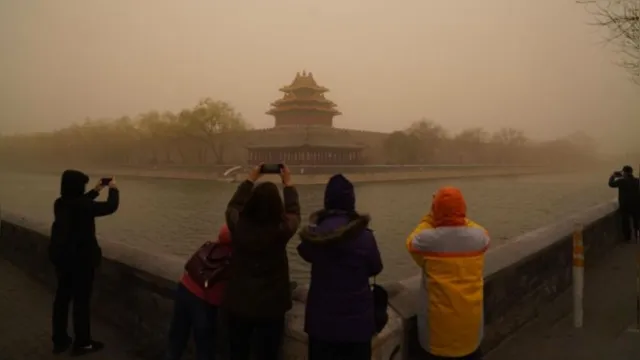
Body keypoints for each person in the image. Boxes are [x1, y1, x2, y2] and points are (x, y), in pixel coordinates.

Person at [297, 174, 383, 360]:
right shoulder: (364, 236)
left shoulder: (316, 234)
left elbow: (304, 252)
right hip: (357, 327)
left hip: (321, 326)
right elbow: (376, 267)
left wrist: (316, 223)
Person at [223, 164, 300, 360]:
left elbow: (232, 206)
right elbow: (294, 214)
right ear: (277, 206)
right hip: (271, 308)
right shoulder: (281, 231)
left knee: (237, 353)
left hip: (239, 303)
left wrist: (250, 179)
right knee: (268, 355)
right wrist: (288, 185)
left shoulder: (238, 225)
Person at [405, 187, 489, 360]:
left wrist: (431, 216)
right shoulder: (479, 238)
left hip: (438, 336)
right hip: (470, 332)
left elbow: (411, 241)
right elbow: (478, 230)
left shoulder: (427, 241)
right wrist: (458, 217)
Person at [49, 170, 119, 355]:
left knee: (62, 301)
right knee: (81, 303)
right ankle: (82, 343)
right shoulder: (83, 206)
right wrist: (113, 188)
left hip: (62, 260)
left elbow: (81, 201)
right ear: (78, 187)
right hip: (81, 262)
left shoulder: (60, 203)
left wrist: (97, 189)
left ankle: (60, 340)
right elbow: (111, 207)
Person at [165, 224, 232, 360]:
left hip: (185, 287)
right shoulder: (237, 257)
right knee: (205, 349)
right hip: (204, 301)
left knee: (176, 342)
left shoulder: (212, 247)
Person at [608, 165, 640, 242]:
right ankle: (637, 236)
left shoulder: (622, 181)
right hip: (636, 204)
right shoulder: (637, 181)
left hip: (625, 205)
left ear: (624, 172)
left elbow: (611, 184)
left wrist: (613, 176)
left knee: (626, 222)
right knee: (637, 221)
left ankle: (627, 238)